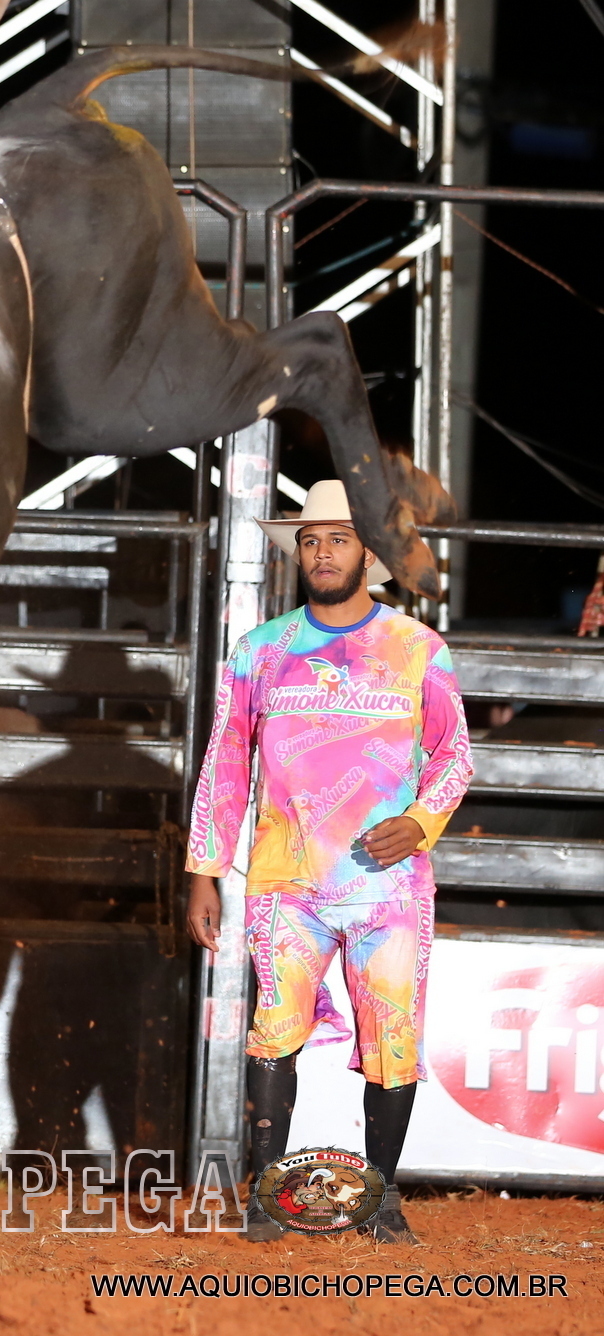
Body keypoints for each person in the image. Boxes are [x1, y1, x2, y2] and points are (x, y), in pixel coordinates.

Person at [185, 479, 472, 1245]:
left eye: (338, 539)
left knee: (393, 1041)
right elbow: (225, 761)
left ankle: (382, 1199)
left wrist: (420, 823)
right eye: (311, 540)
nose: (322, 552)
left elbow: (455, 755)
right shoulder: (261, 651)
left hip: (389, 888)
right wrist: (204, 871)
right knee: (273, 1033)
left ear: (368, 554)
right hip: (287, 882)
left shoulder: (418, 649)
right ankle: (266, 1198)